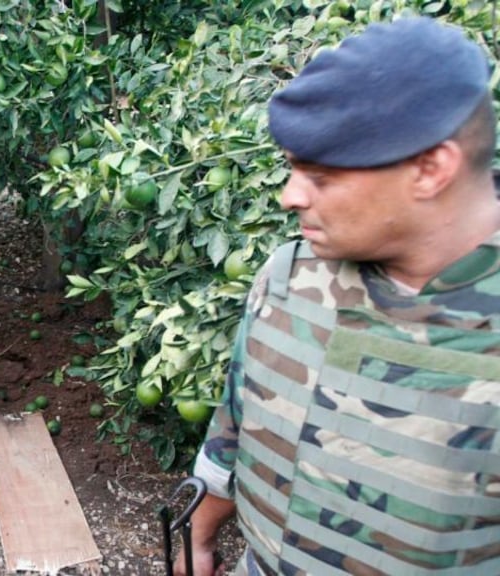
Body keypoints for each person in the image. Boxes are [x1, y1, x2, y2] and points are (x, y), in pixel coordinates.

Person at [175, 17, 500, 576]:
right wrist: (199, 540)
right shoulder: (290, 275)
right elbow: (235, 425)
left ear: (430, 169)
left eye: (321, 177)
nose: (288, 197)